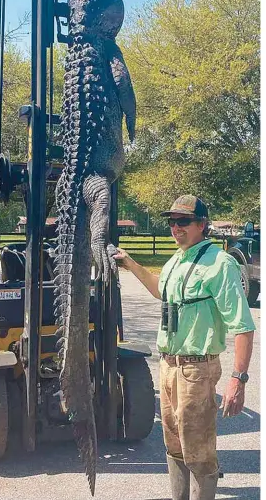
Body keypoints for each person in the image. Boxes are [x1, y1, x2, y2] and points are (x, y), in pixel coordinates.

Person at [113, 195, 255, 500]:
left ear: (201, 225)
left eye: (183, 222)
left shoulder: (220, 264)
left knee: (199, 449)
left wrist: (237, 379)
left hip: (197, 369)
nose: (176, 228)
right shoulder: (178, 259)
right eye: (172, 222)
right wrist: (129, 263)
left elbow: (243, 326)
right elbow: (159, 290)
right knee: (174, 442)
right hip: (169, 366)